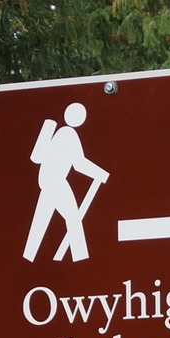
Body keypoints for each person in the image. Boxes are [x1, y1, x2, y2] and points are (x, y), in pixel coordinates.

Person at [23, 102, 108, 262]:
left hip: (47, 183)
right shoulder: (68, 134)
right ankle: (81, 259)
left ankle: (28, 258)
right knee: (73, 218)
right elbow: (79, 163)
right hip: (56, 183)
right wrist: (102, 174)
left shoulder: (58, 133)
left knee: (40, 222)